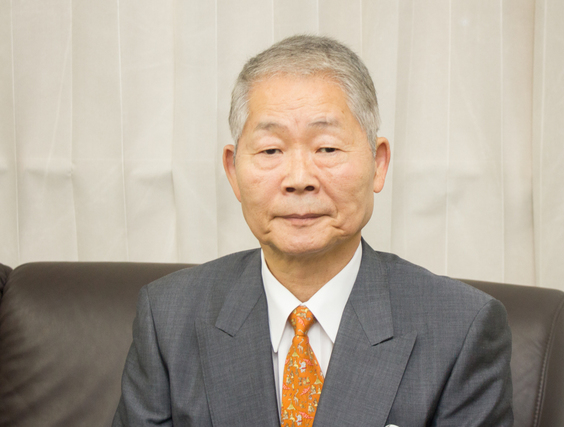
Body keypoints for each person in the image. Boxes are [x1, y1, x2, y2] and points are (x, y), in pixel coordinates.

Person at [112, 35, 513, 427]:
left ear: (378, 163)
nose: (299, 179)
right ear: (233, 172)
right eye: (271, 150)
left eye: (327, 148)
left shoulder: (461, 328)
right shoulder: (168, 317)